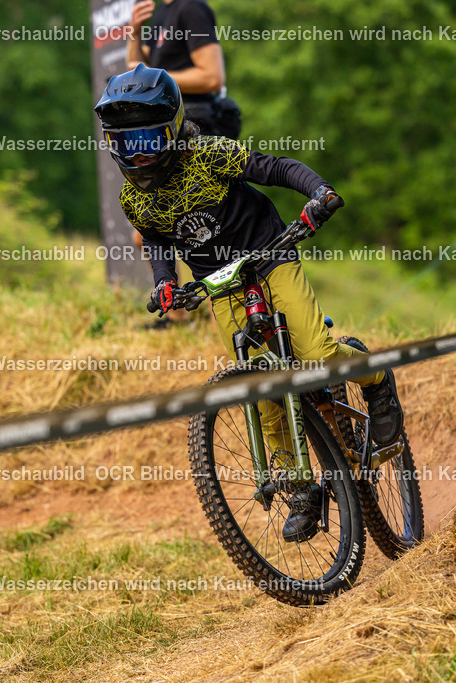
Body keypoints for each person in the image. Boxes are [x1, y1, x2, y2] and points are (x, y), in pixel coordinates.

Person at [94, 64, 402, 542]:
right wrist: (163, 281)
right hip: (218, 285)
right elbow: (156, 239)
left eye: (149, 140)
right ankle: (299, 487)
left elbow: (274, 167)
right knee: (263, 393)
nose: (138, 154)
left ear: (174, 130)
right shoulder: (135, 199)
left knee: (317, 355)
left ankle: (377, 379)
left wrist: (318, 191)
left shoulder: (208, 154)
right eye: (125, 143)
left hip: (270, 254)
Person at [125, 0, 241, 139]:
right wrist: (134, 33)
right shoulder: (162, 10)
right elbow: (137, 64)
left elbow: (212, 78)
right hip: (167, 123)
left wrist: (155, 79)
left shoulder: (192, 8)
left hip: (195, 125)